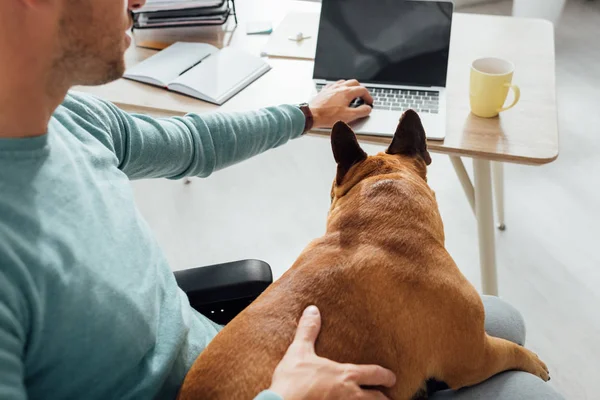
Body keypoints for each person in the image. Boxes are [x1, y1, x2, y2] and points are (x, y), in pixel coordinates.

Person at [0, 0, 564, 399]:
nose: (142, 2)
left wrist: (307, 114)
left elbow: (194, 142)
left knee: (503, 320)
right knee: (520, 379)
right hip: (261, 386)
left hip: (236, 355)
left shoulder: (72, 120)